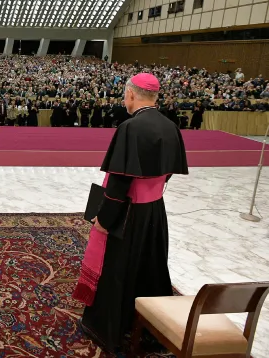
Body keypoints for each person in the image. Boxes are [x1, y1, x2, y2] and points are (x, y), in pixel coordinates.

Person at [73, 73, 188, 351]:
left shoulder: (130, 127)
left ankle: (110, 325)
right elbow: (168, 171)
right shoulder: (171, 126)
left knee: (118, 269)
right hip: (154, 211)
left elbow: (119, 182)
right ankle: (150, 323)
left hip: (129, 214)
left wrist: (105, 219)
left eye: (125, 94)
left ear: (132, 94)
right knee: (150, 265)